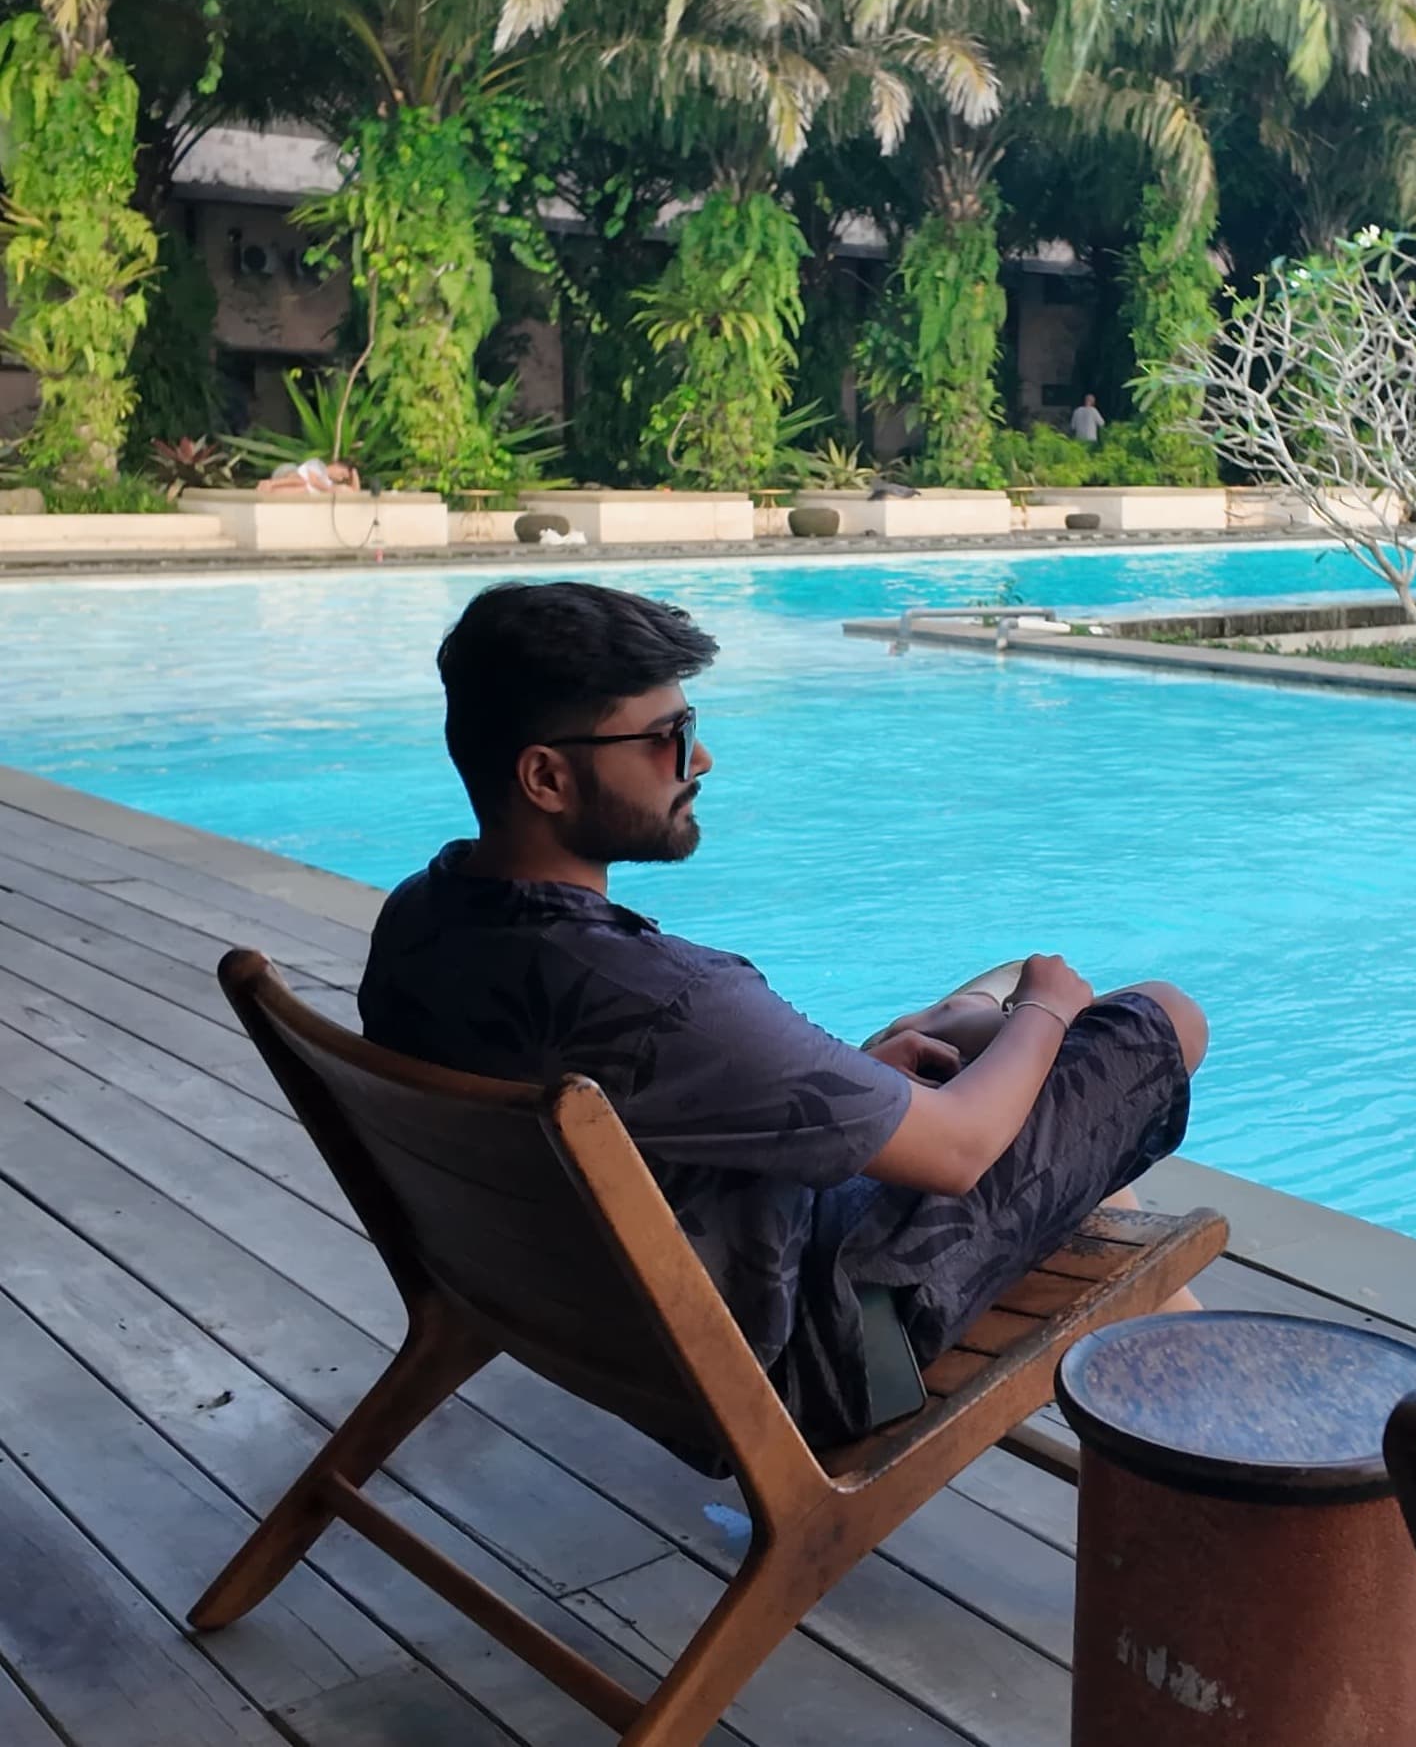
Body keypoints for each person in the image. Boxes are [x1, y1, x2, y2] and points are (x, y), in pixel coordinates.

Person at [358, 581, 1206, 1453]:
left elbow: (669, 1098)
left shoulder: (425, 917)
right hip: (822, 1359)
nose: (700, 760)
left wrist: (880, 1060)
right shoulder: (666, 1000)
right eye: (666, 739)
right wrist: (1046, 1007)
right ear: (544, 775)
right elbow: (955, 1152)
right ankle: (1206, 1404)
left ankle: (1195, 1379)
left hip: (576, 1307)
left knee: (977, 1040)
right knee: (1154, 1022)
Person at [257, 456, 361, 495]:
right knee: (302, 481)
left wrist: (354, 472)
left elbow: (355, 491)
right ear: (336, 465)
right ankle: (270, 483)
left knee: (303, 489)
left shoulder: (329, 482)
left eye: (343, 478)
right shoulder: (318, 464)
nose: (340, 478)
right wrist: (331, 489)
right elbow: (313, 481)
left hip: (293, 485)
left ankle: (269, 491)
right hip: (288, 471)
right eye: (342, 474)